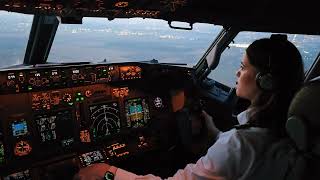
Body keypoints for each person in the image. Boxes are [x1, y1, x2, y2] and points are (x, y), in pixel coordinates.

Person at [73, 34, 304, 180]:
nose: (237, 72)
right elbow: (243, 158)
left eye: (243, 68)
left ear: (265, 80)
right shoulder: (288, 132)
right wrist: (215, 134)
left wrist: (107, 173)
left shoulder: (241, 143)